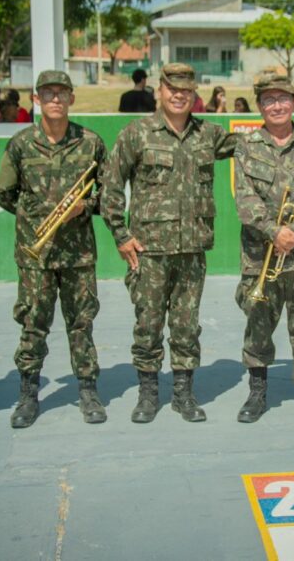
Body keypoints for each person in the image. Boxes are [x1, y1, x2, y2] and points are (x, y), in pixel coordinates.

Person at [101, 62, 235, 424]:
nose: (179, 95)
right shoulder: (137, 133)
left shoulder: (208, 135)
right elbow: (110, 185)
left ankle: (183, 394)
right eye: (172, 89)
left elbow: (252, 143)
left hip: (192, 251)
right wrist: (121, 234)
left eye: (186, 91)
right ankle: (148, 394)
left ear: (195, 96)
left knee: (187, 325)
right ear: (159, 90)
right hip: (150, 251)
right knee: (147, 324)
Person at [0, 70, 108, 428]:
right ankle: (28, 394)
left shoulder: (91, 143)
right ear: (37, 99)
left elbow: (108, 193)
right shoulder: (19, 144)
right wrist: (37, 219)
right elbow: (5, 195)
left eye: (62, 93)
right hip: (36, 255)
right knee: (33, 323)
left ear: (72, 98)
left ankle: (88, 391)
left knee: (81, 323)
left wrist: (85, 206)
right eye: (48, 93)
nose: (55, 99)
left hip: (78, 254)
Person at [233, 72, 294, 423]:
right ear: (260, 105)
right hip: (261, 255)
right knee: (259, 323)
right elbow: (244, 200)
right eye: (269, 100)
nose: (276, 105)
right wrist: (274, 231)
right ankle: (257, 393)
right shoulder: (246, 146)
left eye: (283, 99)